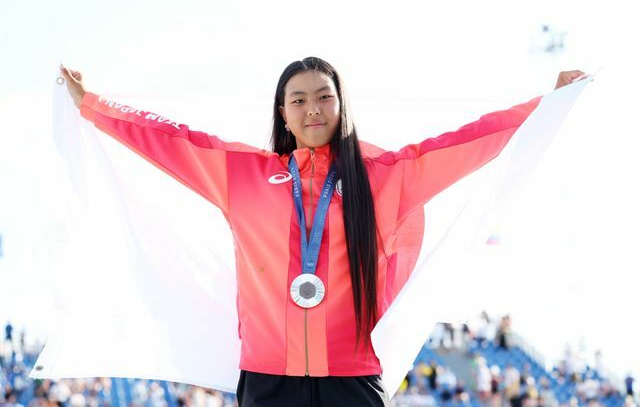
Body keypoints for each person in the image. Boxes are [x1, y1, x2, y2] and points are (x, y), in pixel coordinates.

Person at [58, 58, 584, 407]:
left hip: (351, 381)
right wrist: (93, 106)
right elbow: (168, 139)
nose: (312, 108)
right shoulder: (242, 176)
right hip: (267, 383)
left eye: (324, 96)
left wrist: (545, 107)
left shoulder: (382, 179)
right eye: (299, 99)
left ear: (341, 103)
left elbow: (466, 141)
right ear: (282, 113)